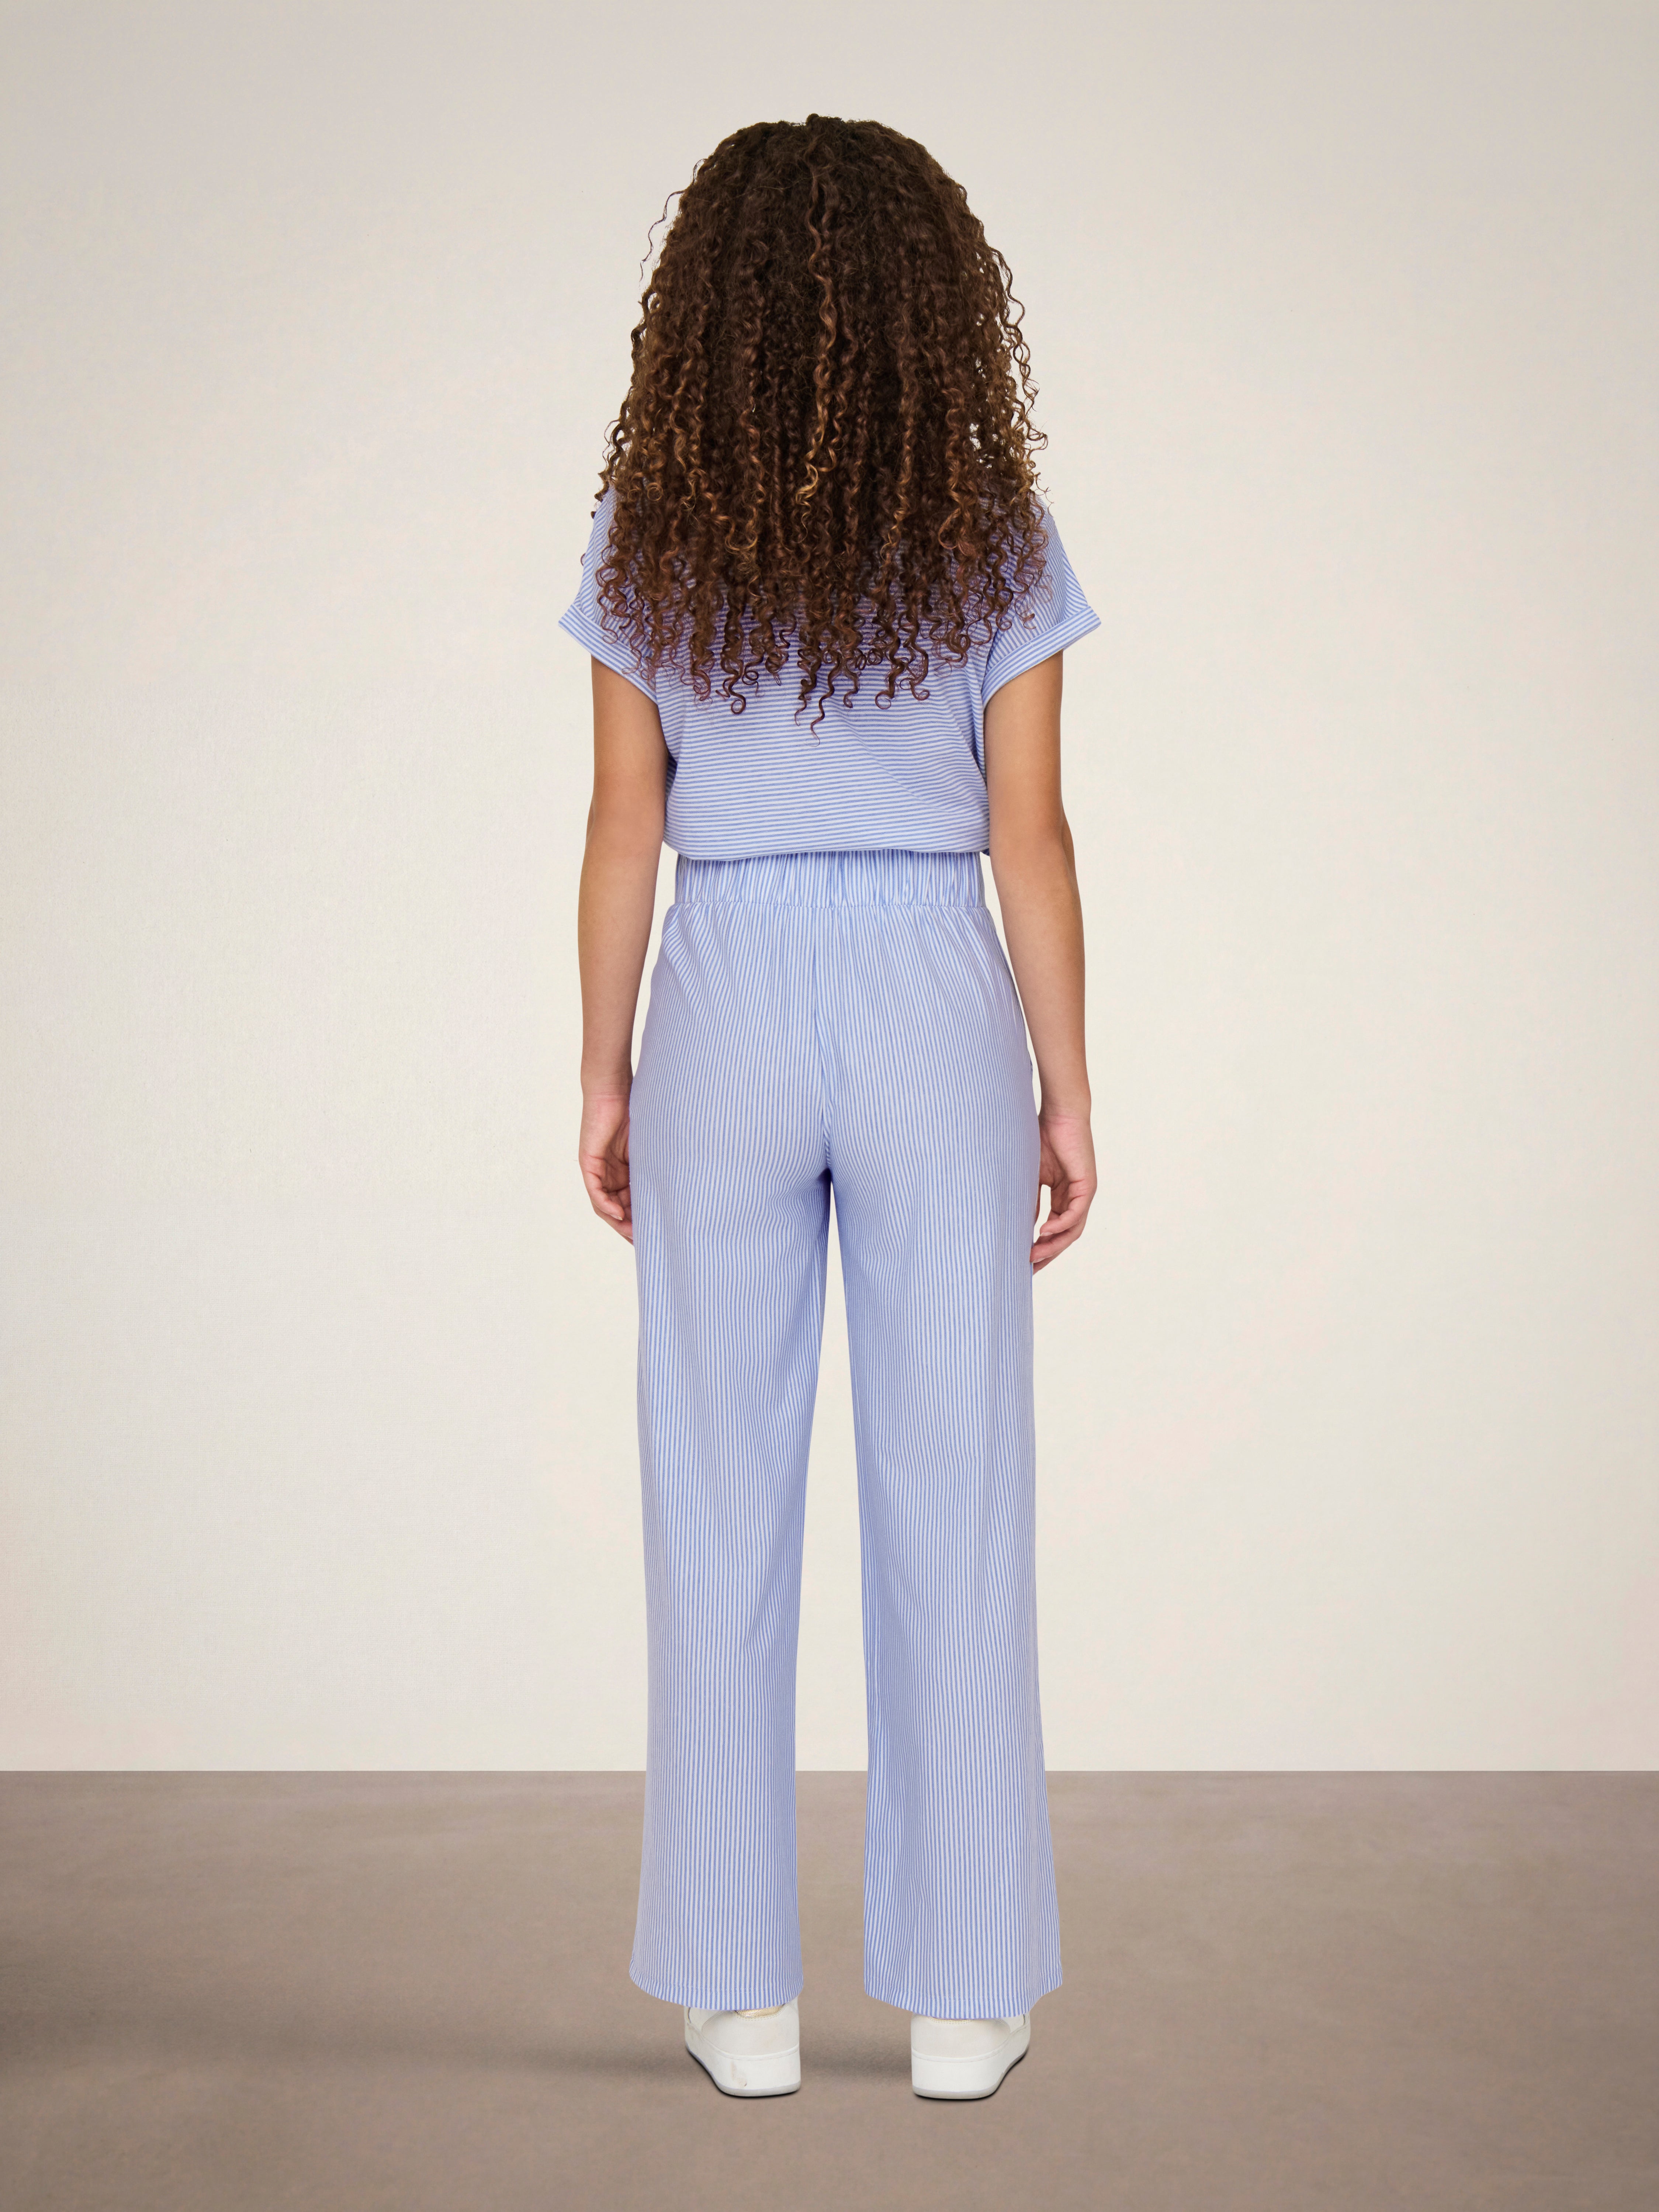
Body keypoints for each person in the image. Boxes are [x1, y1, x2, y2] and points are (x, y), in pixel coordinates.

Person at [564, 114, 1099, 2103]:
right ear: (938, 309)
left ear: (699, 308)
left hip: (719, 979)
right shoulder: (992, 539)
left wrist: (606, 1067)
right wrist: (1065, 1089)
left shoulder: (652, 540)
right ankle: (963, 1998)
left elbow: (623, 829)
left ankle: (737, 1997)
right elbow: (1031, 837)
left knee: (714, 1487)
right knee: (954, 1489)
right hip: (930, 982)